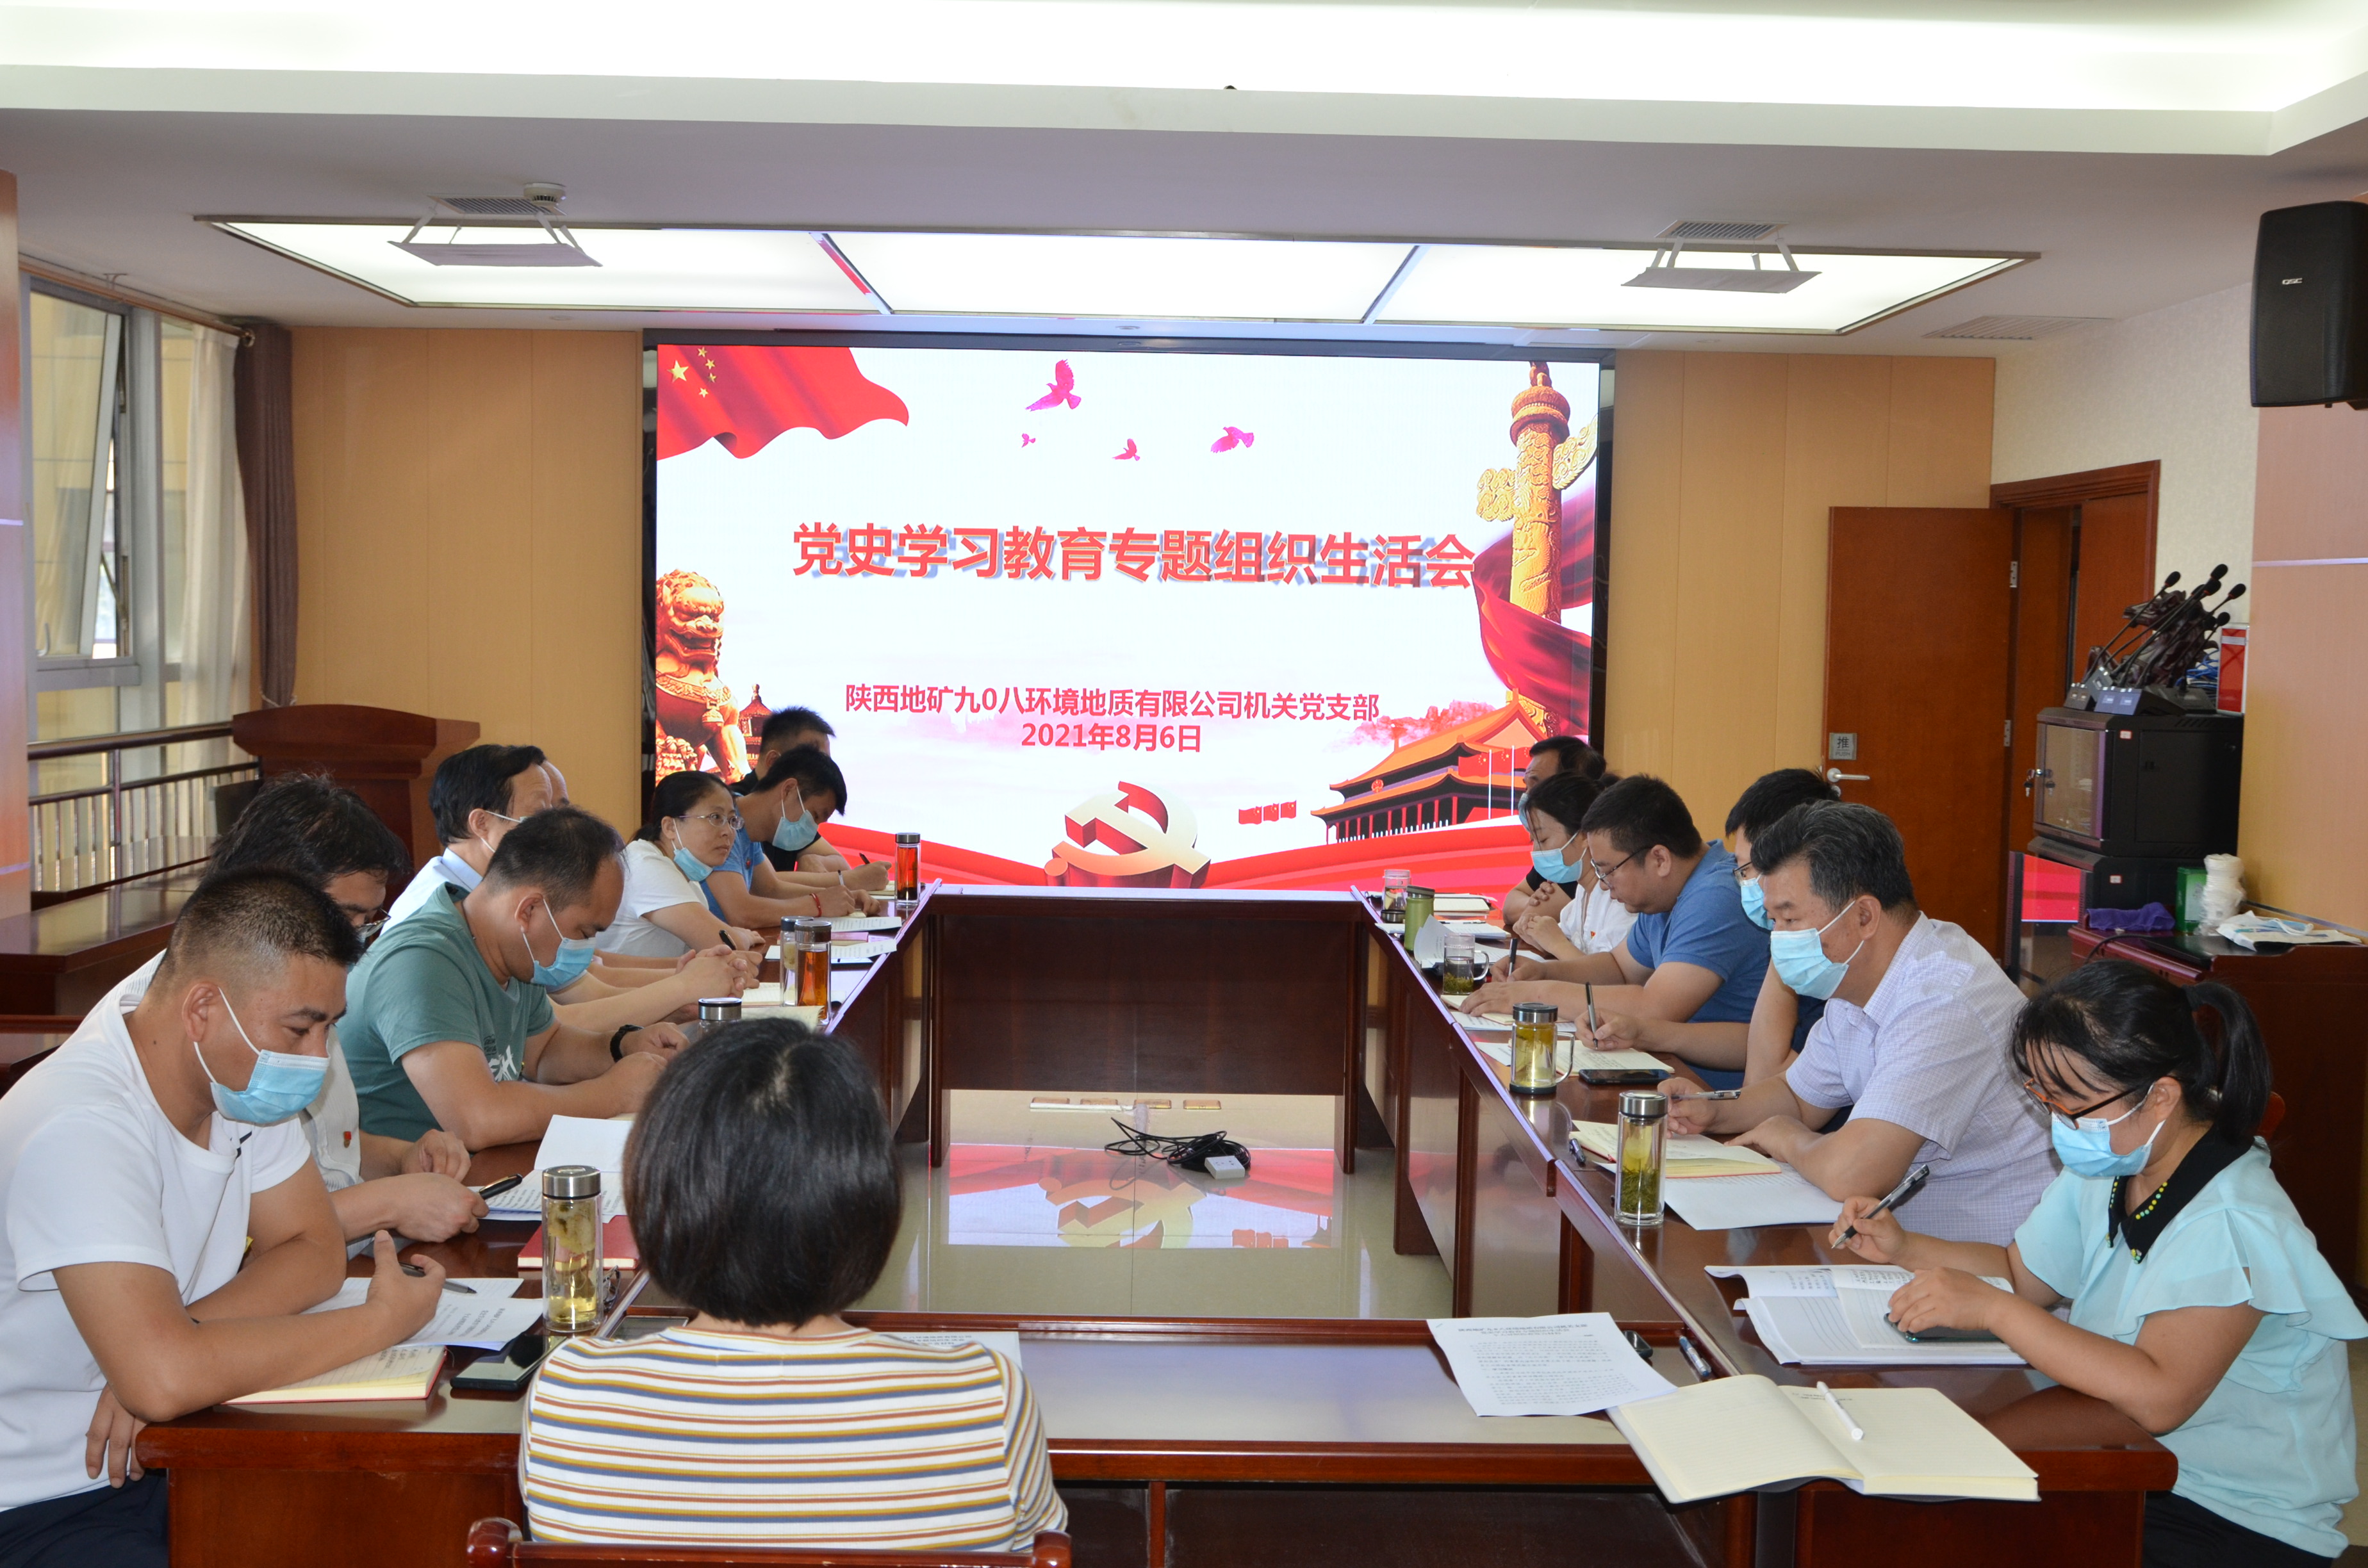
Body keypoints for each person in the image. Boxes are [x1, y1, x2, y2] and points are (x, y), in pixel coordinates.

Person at [1835, 963, 2365, 1566]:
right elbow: (2022, 1275)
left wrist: (1995, 1311)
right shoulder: (2115, 1161)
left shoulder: (2231, 1220)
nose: (2058, 1120)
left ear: (2160, 1096)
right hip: (2135, 1455)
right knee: (1919, 1501)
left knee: (1948, 1529)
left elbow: (2160, 1395)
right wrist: (1903, 1247)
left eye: (2073, 1102)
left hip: (2233, 1515)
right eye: (2044, 1096)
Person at [0, 872, 445, 1565]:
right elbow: (163, 1380)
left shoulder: (235, 1080)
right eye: (301, 1028)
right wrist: (381, 1323)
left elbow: (313, 1249)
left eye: (329, 1028)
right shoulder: (82, 1124)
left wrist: (183, 1345)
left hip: (175, 1446)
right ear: (203, 1008)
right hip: (44, 1496)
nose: (316, 1058)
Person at [522, 1020, 1064, 1552]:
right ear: (870, 1201)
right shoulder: (984, 1403)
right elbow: (1044, 1548)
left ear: (659, 1195)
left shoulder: (568, 1400)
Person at [101, 774, 488, 1246]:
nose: (356, 943)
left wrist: (402, 1158)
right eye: (345, 918)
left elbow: (328, 1149)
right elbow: (230, 1227)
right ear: (272, 897)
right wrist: (388, 1204)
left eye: (368, 922)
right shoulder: (204, 1021)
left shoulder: (307, 992)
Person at [1668, 801, 2055, 1244]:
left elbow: (1854, 1173)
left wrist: (1787, 1138)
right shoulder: (1856, 980)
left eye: (1790, 919)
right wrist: (1711, 1110)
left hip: (1986, 1264)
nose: (1778, 939)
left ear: (1864, 916)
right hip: (1899, 1247)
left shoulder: (1943, 1000)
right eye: (1774, 921)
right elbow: (1798, 1097)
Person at [343, 806, 677, 1150]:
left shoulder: (513, 951)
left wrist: (623, 1046)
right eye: (585, 932)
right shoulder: (421, 961)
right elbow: (478, 1119)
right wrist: (612, 1095)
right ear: (528, 910)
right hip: (404, 1176)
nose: (588, 947)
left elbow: (544, 1052)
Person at [1467, 774, 1768, 1088]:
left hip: (1714, 1088)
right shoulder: (1669, 890)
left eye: (1608, 871)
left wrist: (1536, 996)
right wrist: (1542, 972)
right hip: (1672, 1071)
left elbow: (1654, 1009)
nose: (1604, 886)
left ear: (1660, 859)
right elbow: (1619, 968)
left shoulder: (1716, 896)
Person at [1586, 768, 1841, 1087]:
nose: (1745, 885)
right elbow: (1759, 1052)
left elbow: (1772, 1080)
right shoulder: (1788, 939)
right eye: (1740, 869)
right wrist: (1644, 1033)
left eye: (1750, 869)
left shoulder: (1848, 973)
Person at [384, 744, 557, 926]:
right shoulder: (430, 915)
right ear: (481, 823)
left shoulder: (512, 885)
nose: (555, 826)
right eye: (539, 814)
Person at [603, 772, 765, 960]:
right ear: (670, 827)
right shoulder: (647, 866)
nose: (728, 832)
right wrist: (742, 936)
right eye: (716, 817)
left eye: (731, 820)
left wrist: (735, 934)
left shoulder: (686, 875)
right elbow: (725, 944)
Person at [709, 747, 873, 929]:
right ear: (788, 790)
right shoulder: (724, 823)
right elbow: (741, 913)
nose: (813, 829)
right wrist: (818, 904)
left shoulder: (748, 829)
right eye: (814, 816)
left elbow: (770, 889)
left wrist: (845, 897)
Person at [1501, 772, 1631, 961]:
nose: (1536, 851)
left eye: (1543, 840)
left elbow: (1609, 976)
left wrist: (1556, 943)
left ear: (1584, 835)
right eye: (1533, 841)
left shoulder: (1621, 899)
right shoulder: (1582, 892)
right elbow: (1568, 947)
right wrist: (1538, 935)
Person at [1499, 736, 1606, 929]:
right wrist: (1531, 904)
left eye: (1537, 785)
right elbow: (1510, 909)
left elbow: (1534, 918)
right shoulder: (1565, 859)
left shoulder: (1587, 866)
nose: (1528, 796)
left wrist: (1531, 911)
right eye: (1526, 786)